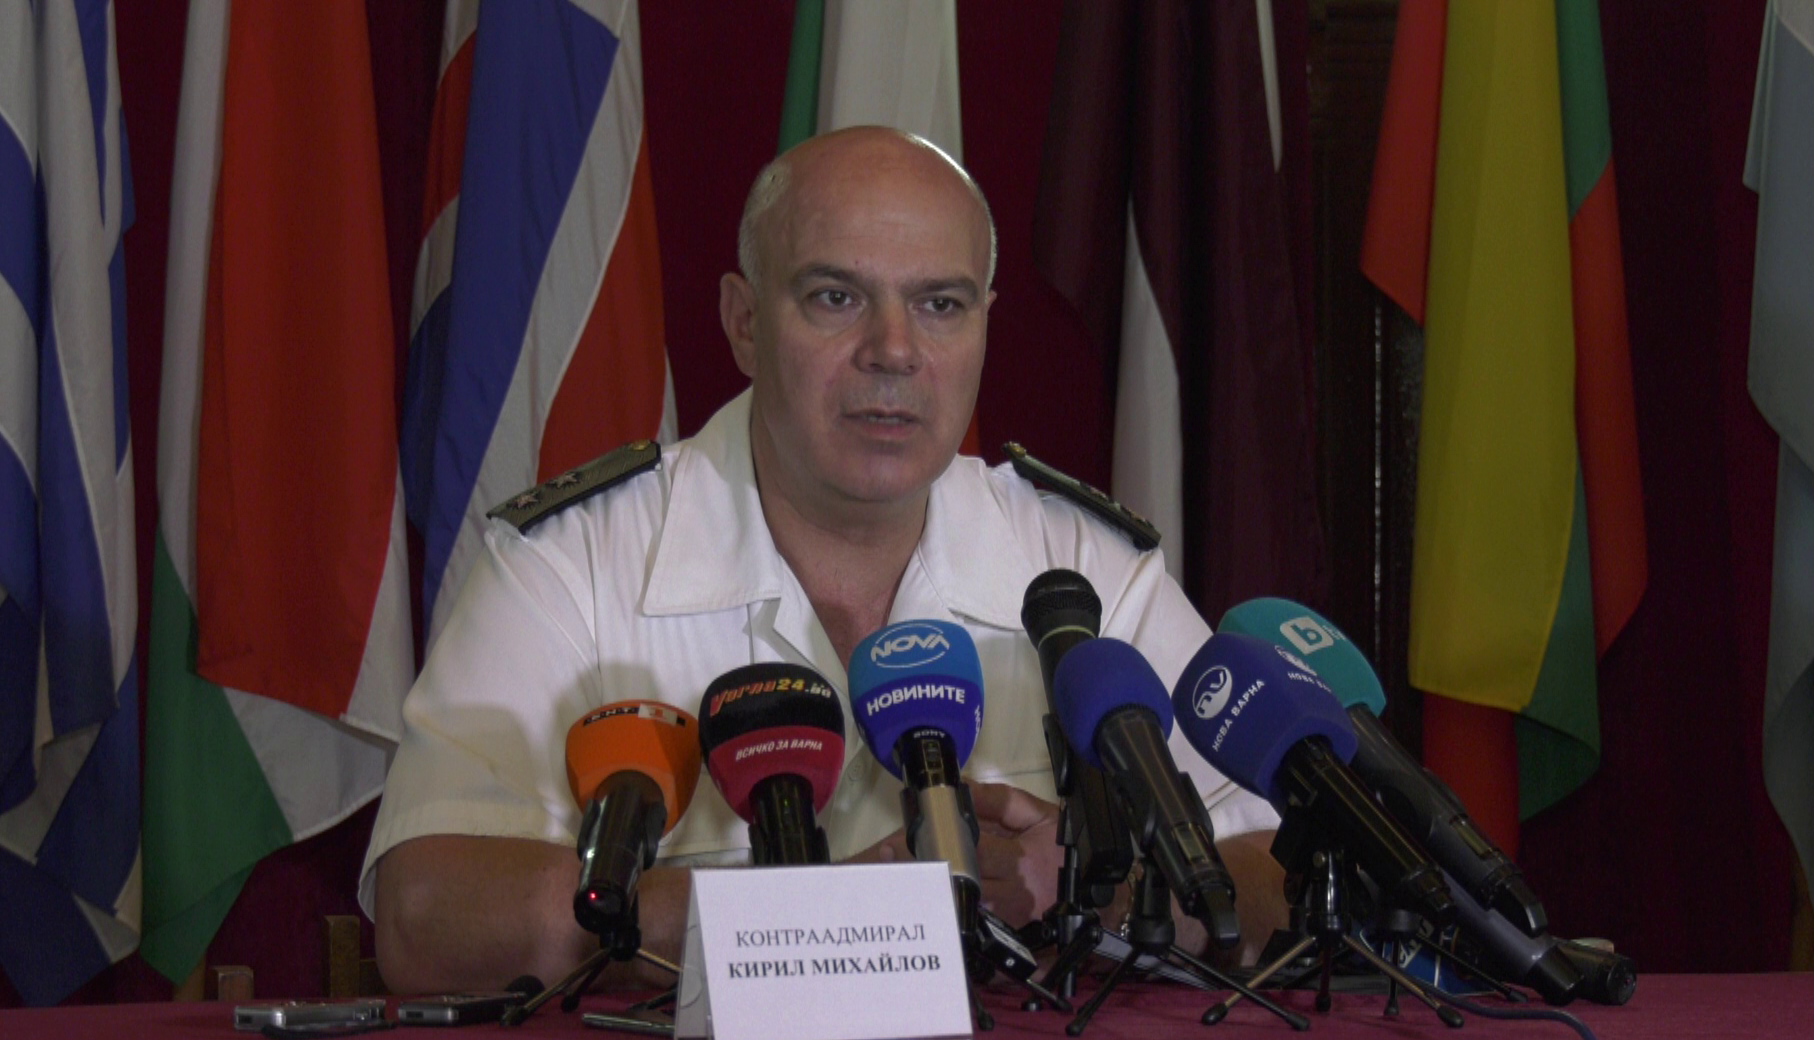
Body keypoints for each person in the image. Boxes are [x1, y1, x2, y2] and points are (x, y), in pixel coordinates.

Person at [364, 127, 1287, 995]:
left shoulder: (1080, 571)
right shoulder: (572, 566)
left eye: (940, 305)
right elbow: (423, 916)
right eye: (835, 298)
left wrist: (1097, 895)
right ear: (743, 322)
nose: (894, 351)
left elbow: (1280, 871)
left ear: (984, 326)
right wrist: (823, 920)